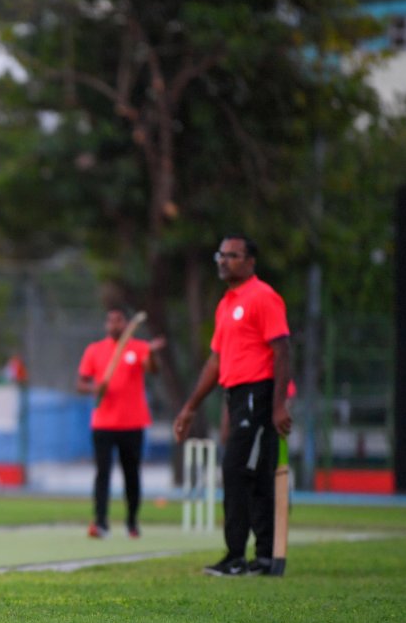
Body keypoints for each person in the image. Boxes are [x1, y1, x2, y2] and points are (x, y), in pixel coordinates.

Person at [173, 235, 292, 577]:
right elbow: (216, 361)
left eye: (233, 256)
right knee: (249, 474)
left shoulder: (262, 297)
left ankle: (238, 555)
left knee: (236, 470)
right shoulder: (227, 303)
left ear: (250, 261)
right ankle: (264, 557)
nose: (224, 261)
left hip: (260, 393)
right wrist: (190, 406)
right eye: (221, 255)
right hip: (238, 396)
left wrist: (279, 404)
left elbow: (282, 350)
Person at [76, 308, 166, 538]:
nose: (114, 325)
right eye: (111, 321)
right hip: (103, 423)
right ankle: (101, 522)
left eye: (119, 321)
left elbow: (153, 370)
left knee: (131, 474)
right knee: (102, 474)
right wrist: (94, 388)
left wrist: (153, 353)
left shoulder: (139, 348)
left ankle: (132, 522)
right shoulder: (94, 350)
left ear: (126, 324)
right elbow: (81, 384)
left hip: (133, 422)